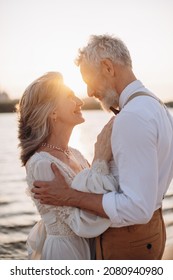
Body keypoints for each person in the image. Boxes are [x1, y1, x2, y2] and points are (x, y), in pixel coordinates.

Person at [32, 35, 173, 260]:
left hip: (127, 241)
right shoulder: (156, 105)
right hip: (151, 230)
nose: (88, 93)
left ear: (107, 67)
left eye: (88, 80)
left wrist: (69, 196)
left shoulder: (133, 116)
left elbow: (136, 208)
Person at [17, 71, 118, 260]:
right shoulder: (42, 163)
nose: (80, 101)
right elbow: (85, 223)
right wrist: (100, 160)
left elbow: (98, 198)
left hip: (91, 248)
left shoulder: (76, 154)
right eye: (70, 97)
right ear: (52, 111)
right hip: (67, 254)